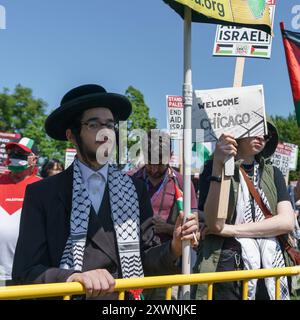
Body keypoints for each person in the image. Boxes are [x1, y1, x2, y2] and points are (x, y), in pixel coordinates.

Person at [12, 84, 198, 299]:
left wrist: (174, 246)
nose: (104, 133)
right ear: (72, 135)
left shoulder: (135, 190)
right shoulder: (42, 193)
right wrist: (72, 278)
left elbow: (145, 261)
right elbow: (26, 271)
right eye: (93, 124)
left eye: (110, 125)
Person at [192, 120, 295, 300]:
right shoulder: (212, 167)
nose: (261, 137)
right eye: (255, 130)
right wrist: (219, 166)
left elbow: (286, 222)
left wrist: (231, 230)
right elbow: (215, 224)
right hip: (226, 266)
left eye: (266, 135)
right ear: (238, 133)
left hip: (271, 267)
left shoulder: (273, 172)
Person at [129, 131, 199, 299]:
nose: (154, 168)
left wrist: (167, 228)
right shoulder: (129, 179)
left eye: (160, 163)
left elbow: (194, 226)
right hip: (134, 263)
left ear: (171, 156)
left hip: (167, 263)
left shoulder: (182, 182)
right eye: (150, 162)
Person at [0, 137, 41, 285]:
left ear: (33, 160)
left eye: (20, 154)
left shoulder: (42, 187)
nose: (14, 157)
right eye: (12, 153)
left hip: (25, 272)